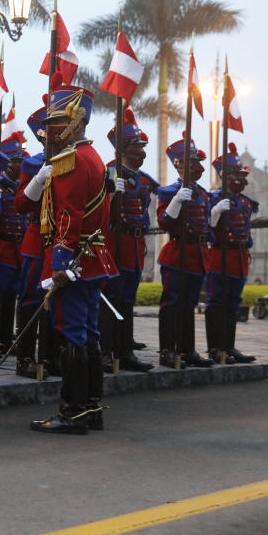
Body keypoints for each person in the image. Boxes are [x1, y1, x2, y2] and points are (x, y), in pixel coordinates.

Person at [29, 75, 116, 435]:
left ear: (77, 121)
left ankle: (72, 412)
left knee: (72, 333)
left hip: (74, 258)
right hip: (94, 257)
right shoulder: (93, 156)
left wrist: (61, 265)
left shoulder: (70, 160)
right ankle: (92, 407)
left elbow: (68, 217)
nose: (50, 131)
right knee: (89, 332)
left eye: (57, 123)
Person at [101, 109, 157, 373]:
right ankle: (106, 351)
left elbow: (143, 211)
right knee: (111, 299)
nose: (141, 152)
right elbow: (100, 212)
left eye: (142, 146)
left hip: (134, 246)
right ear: (122, 148)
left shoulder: (142, 180)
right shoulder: (110, 172)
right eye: (135, 146)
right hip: (115, 243)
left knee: (127, 300)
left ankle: (125, 352)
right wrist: (110, 194)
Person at [156, 137, 214, 369]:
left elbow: (206, 224)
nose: (198, 167)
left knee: (188, 305)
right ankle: (168, 350)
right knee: (172, 304)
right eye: (193, 162)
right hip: (177, 253)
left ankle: (187, 349)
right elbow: (164, 222)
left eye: (199, 162)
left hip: (196, 255)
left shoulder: (202, 194)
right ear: (179, 164)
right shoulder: (169, 191)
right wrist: (177, 201)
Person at [205, 143, 258, 362]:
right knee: (218, 302)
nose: (240, 179)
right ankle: (216, 349)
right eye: (235, 174)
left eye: (241, 174)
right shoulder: (214, 199)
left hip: (239, 257)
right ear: (225, 177)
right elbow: (207, 226)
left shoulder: (245, 202)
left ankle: (229, 346)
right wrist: (216, 211)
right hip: (220, 256)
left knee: (233, 302)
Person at [13, 105, 51, 378]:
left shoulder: (74, 158)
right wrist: (38, 180)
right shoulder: (31, 163)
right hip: (37, 237)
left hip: (61, 239)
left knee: (54, 301)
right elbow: (22, 204)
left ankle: (50, 356)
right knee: (30, 299)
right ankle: (25, 357)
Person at [0, 131, 27, 359]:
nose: (19, 166)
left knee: (12, 295)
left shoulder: (19, 187)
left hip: (16, 250)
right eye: (15, 161)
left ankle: (6, 338)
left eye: (21, 161)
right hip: (1, 249)